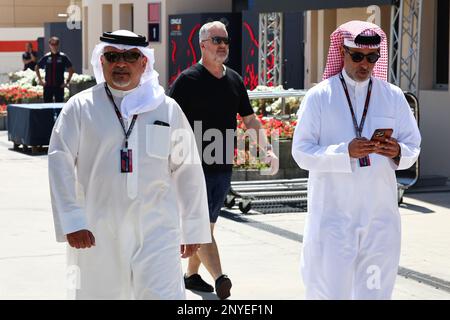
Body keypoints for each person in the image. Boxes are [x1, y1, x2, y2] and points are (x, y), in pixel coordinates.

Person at [48, 30, 211, 299]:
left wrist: (192, 227)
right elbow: (59, 163)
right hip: (98, 230)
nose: (121, 64)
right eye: (112, 57)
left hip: (157, 228)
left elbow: (188, 169)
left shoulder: (167, 109)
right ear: (102, 62)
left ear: (144, 62)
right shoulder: (80, 107)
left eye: (131, 56)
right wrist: (72, 221)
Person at [291, 20, 421, 300]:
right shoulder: (319, 98)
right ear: (342, 51)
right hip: (333, 222)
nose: (366, 64)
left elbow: (414, 147)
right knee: (329, 294)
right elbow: (301, 153)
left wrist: (397, 151)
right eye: (358, 56)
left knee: (374, 294)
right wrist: (343, 152)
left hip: (379, 222)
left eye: (373, 57)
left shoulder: (393, 97)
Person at [168, 21, 278, 300]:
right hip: (191, 168)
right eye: (216, 39)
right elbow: (168, 122)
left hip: (221, 167)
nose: (222, 45)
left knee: (209, 224)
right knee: (200, 224)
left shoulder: (235, 80)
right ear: (202, 44)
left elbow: (250, 120)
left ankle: (191, 276)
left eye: (225, 40)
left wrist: (266, 149)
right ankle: (220, 278)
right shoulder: (187, 81)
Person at [36, 36, 74, 103]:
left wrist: (66, 82)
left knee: (59, 106)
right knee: (47, 107)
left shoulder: (63, 57)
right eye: (52, 44)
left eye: (56, 44)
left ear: (58, 45)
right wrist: (40, 80)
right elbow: (37, 67)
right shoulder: (47, 56)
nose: (54, 46)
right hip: (48, 86)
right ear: (49, 45)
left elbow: (71, 69)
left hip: (59, 86)